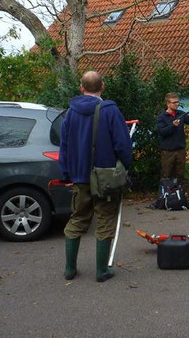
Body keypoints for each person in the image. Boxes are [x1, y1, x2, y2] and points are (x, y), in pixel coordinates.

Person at [59, 71, 132, 283]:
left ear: (81, 87)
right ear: (103, 86)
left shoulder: (70, 114)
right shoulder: (110, 111)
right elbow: (122, 144)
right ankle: (101, 271)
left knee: (78, 218)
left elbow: (63, 146)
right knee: (106, 218)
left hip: (80, 177)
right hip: (106, 177)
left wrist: (66, 173)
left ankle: (70, 269)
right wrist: (124, 167)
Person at [156, 93, 189, 183]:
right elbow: (162, 132)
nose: (177, 104)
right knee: (167, 175)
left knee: (180, 176)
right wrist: (172, 126)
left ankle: (179, 195)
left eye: (177, 102)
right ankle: (166, 194)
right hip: (168, 151)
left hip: (180, 150)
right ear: (168, 104)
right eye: (174, 102)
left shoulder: (180, 114)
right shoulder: (162, 117)